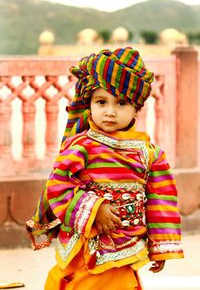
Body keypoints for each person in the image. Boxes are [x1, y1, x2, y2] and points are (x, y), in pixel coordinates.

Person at [26, 47, 184, 290]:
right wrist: (94, 210)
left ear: (136, 109)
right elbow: (57, 186)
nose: (110, 111)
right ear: (90, 104)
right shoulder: (80, 146)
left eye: (121, 103)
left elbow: (161, 199)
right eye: (102, 102)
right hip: (85, 245)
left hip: (128, 245)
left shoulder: (150, 153)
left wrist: (161, 245)